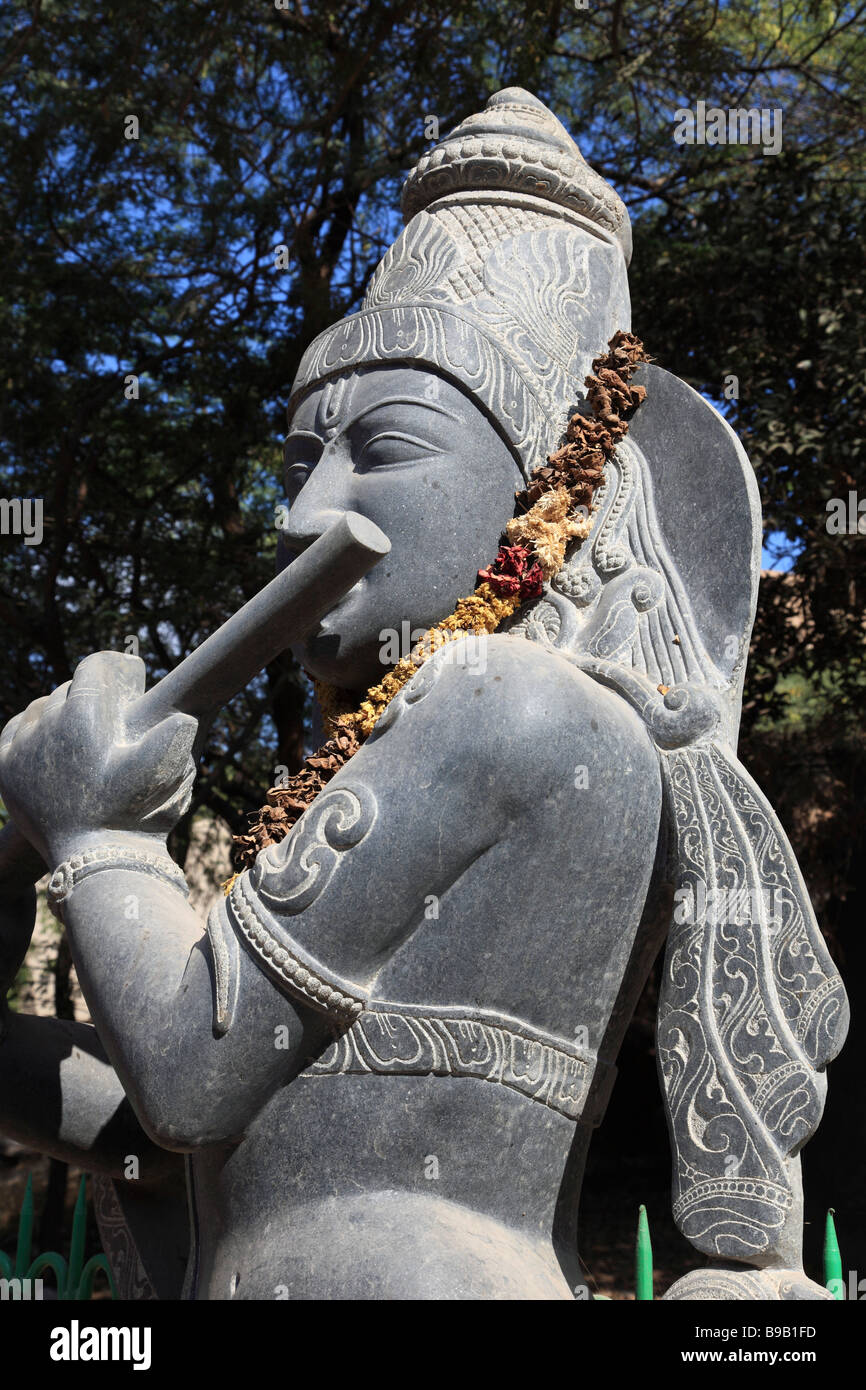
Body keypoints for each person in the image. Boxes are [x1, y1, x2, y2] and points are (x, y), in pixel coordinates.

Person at [0, 89, 846, 1300]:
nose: (305, 512)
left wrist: (95, 835)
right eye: (298, 462)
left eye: (384, 449)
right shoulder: (438, 724)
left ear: (553, 486)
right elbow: (171, 1126)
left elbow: (193, 1073)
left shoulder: (511, 701)